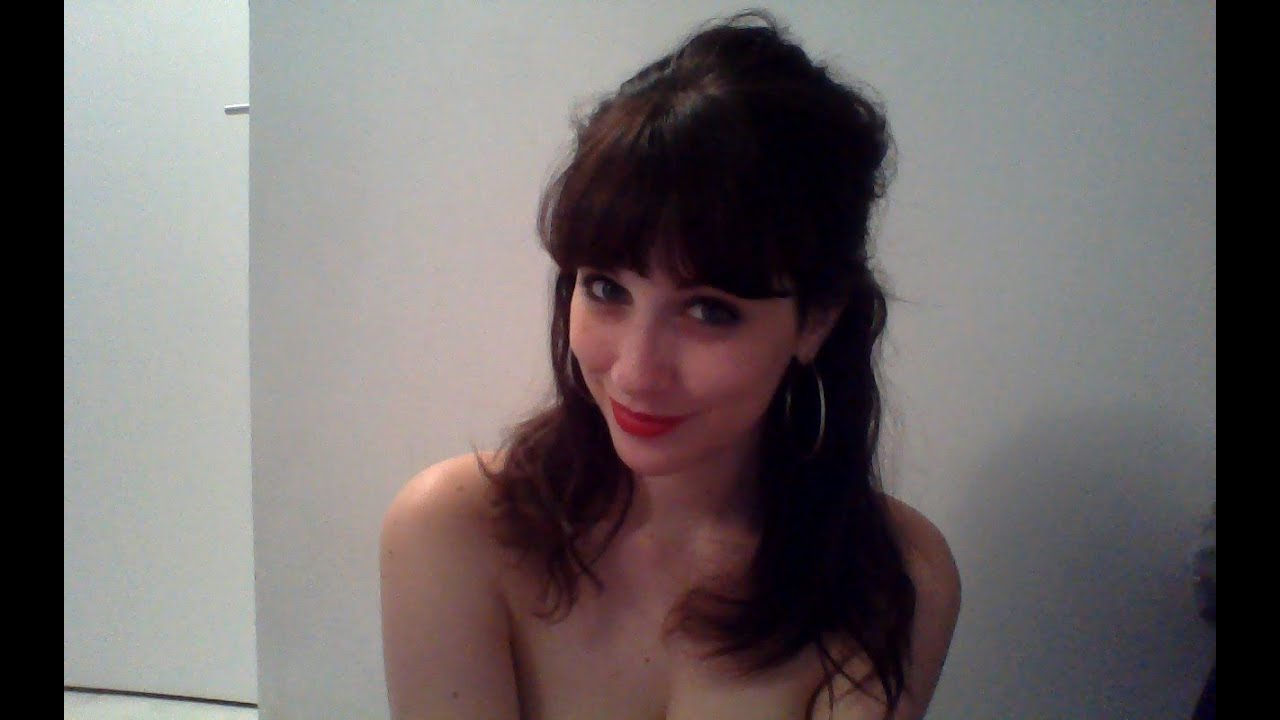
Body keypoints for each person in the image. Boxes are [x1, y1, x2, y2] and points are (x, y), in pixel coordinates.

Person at [380, 10, 960, 720]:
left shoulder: (891, 578)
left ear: (816, 320)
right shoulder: (455, 530)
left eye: (710, 310)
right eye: (606, 289)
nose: (634, 372)